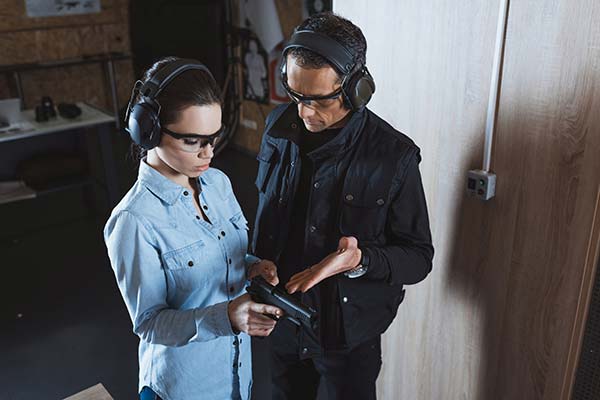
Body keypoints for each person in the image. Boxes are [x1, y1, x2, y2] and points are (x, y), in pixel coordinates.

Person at [251, 13, 434, 400]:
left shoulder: (394, 157)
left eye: (318, 100)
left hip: (347, 338)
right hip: (282, 321)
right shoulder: (277, 127)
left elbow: (418, 258)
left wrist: (359, 261)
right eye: (295, 95)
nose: (303, 112)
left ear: (357, 90)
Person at [104, 57, 281, 400]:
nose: (209, 153)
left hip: (235, 375)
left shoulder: (217, 183)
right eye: (193, 141)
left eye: (214, 138)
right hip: (183, 387)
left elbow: (223, 255)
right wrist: (226, 317)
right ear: (148, 130)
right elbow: (150, 323)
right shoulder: (134, 220)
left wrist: (252, 265)